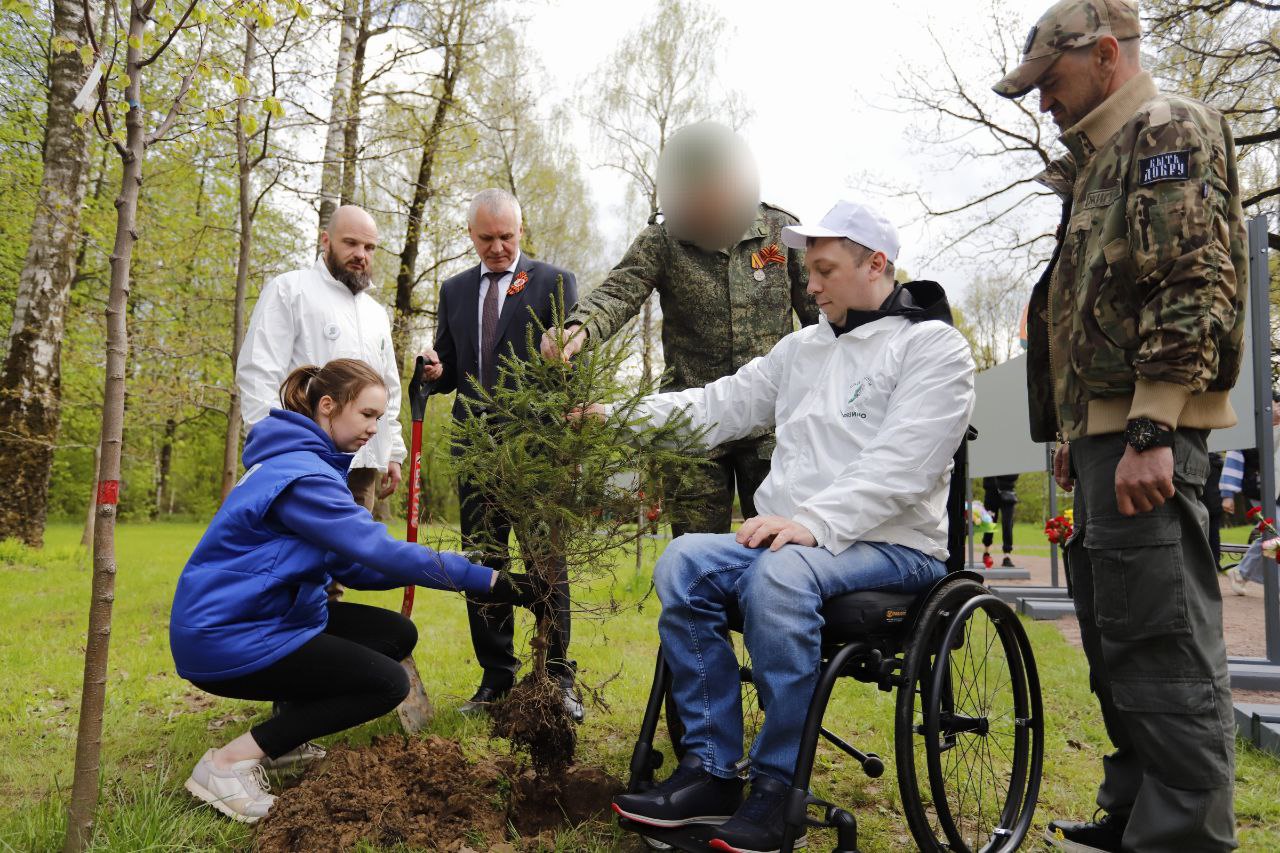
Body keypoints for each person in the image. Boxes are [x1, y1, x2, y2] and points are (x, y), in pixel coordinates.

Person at [605, 201, 975, 852]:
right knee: (684, 561)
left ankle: (777, 789)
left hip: (894, 547)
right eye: (811, 270)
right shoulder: (801, 349)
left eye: (826, 270)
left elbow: (905, 465)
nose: (810, 284)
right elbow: (716, 405)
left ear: (876, 264)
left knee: (780, 572)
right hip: (797, 541)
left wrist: (811, 522)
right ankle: (713, 769)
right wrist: (613, 414)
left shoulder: (932, 347)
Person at [994, 0, 1247, 849]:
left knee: (1162, 638)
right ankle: (1137, 806)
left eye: (1050, 80)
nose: (1042, 102)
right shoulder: (1103, 156)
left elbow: (1192, 277)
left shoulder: (1165, 128)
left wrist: (1151, 428)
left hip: (1146, 437)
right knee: (1116, 636)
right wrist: (1076, 429)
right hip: (1107, 436)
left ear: (1104, 54)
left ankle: (1182, 834)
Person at [170, 359, 500, 824]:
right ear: (328, 406)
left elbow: (355, 565)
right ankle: (227, 764)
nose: (373, 429)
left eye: (380, 419)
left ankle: (284, 743)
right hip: (227, 634)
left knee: (393, 632)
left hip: (265, 616)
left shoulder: (304, 464)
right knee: (387, 683)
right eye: (366, 415)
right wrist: (480, 578)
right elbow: (376, 550)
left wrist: (435, 574)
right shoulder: (302, 476)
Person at [540, 122, 819, 537]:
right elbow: (620, 291)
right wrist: (578, 328)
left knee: (778, 548)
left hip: (773, 425)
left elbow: (822, 317)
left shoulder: (781, 232)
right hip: (692, 424)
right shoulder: (664, 239)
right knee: (696, 554)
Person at [418, 188, 583, 721]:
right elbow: (448, 365)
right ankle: (496, 679)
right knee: (483, 563)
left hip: (534, 452)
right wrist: (434, 368)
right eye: (486, 238)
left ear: (521, 231)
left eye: (506, 236)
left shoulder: (554, 283)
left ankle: (557, 677)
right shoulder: (455, 290)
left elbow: (573, 366)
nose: (497, 247)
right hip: (475, 452)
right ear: (471, 236)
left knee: (546, 563)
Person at [237, 205, 405, 514]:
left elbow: (388, 387)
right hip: (304, 457)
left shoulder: (376, 314)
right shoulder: (289, 290)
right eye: (350, 243)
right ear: (325, 241)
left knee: (354, 554)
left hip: (362, 466)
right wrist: (269, 443)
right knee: (305, 556)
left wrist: (392, 449)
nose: (361, 254)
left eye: (369, 247)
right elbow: (258, 371)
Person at [981, 474, 1019, 567]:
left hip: (1008, 493)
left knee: (1008, 524)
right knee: (989, 523)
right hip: (991, 493)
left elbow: (1014, 476)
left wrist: (999, 476)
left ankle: (1007, 556)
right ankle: (986, 552)